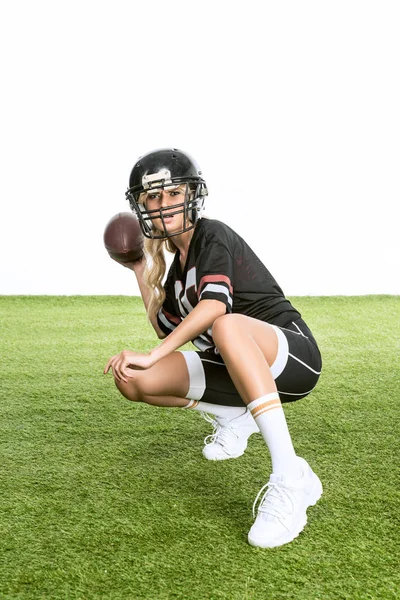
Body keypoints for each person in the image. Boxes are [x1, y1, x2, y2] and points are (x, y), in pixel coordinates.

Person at [104, 148, 323, 548]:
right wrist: (140, 270)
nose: (163, 205)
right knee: (135, 379)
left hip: (292, 357)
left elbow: (214, 306)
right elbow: (164, 326)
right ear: (141, 206)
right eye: (153, 197)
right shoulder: (176, 274)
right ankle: (234, 415)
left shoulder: (213, 234)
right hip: (237, 368)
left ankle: (292, 476)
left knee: (225, 325)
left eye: (171, 193)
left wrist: (156, 354)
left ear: (192, 195)